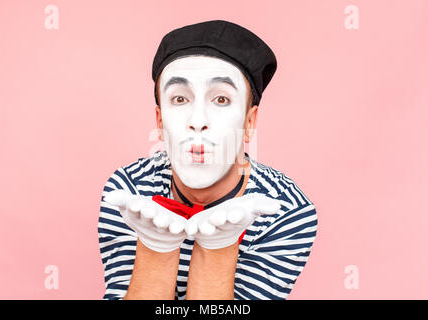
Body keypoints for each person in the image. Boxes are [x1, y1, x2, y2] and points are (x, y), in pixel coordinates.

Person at [98, 19, 318, 300]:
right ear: (160, 120)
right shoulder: (129, 190)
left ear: (249, 121)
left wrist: (218, 247)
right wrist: (156, 246)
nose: (198, 121)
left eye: (221, 100)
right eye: (179, 99)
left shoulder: (286, 211)